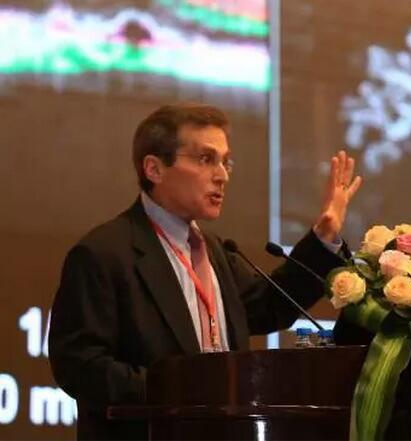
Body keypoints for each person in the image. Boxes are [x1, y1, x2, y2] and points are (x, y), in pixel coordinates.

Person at [48, 103, 362, 440]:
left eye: (225, 162)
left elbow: (271, 305)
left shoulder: (215, 251)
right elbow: (79, 365)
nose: (222, 175)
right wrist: (182, 391)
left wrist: (323, 236)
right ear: (154, 168)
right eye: (205, 159)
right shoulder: (104, 254)